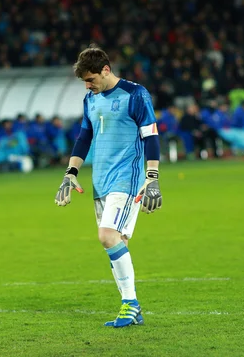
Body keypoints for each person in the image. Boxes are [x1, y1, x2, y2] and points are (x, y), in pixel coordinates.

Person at [54, 46, 163, 328]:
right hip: (100, 180)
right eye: (85, 82)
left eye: (91, 79)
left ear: (106, 70)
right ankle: (131, 309)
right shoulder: (90, 99)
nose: (88, 86)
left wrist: (152, 177)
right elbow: (84, 136)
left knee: (106, 236)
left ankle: (131, 304)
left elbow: (151, 136)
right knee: (118, 243)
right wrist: (71, 172)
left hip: (127, 178)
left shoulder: (135, 94)